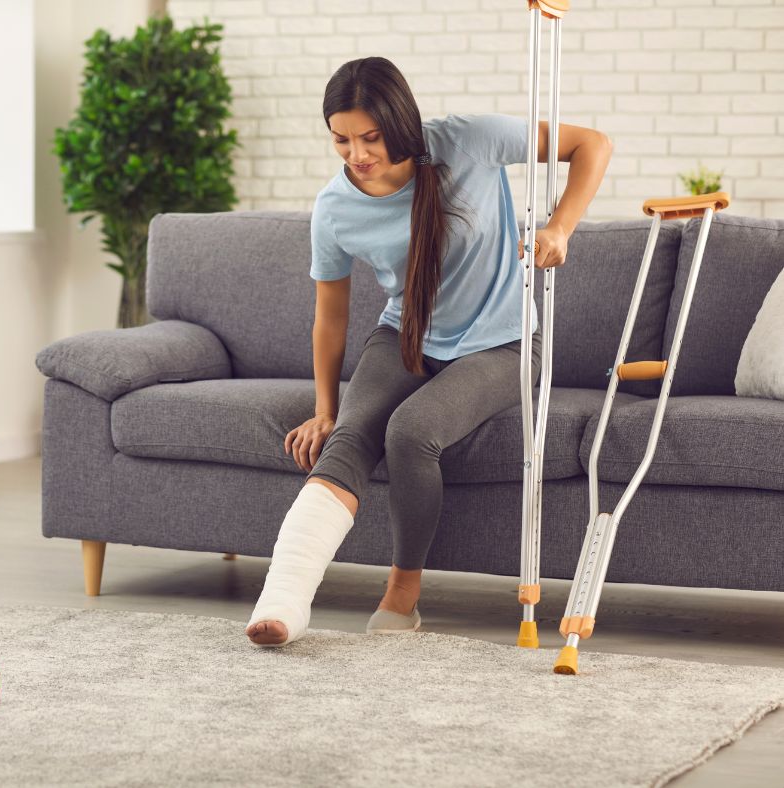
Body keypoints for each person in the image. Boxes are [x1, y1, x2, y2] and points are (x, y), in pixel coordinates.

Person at [245, 56, 613, 648]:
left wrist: (560, 226)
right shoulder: (335, 207)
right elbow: (330, 318)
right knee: (351, 434)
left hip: (504, 341)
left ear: (401, 121)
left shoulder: (467, 141)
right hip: (405, 336)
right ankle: (283, 602)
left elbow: (591, 144)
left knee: (411, 431)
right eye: (341, 140)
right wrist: (324, 406)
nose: (357, 155)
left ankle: (402, 595)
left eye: (370, 137)